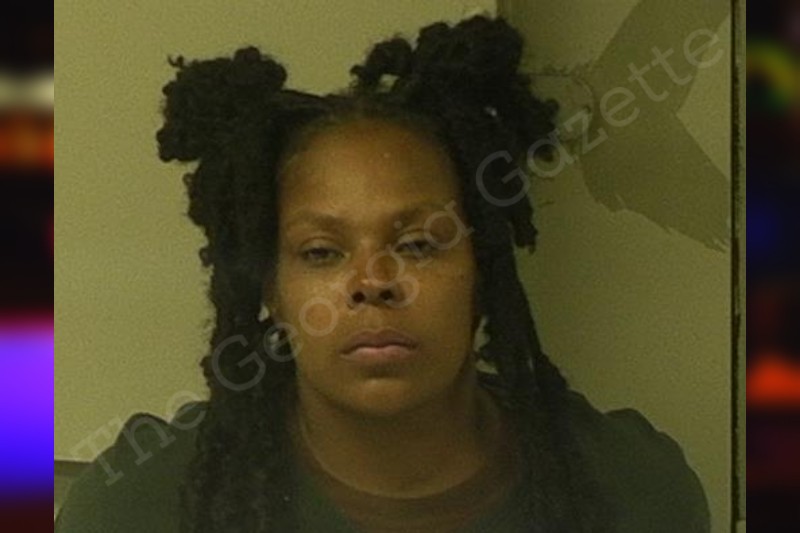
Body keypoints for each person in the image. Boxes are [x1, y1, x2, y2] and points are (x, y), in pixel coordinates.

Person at [55, 15, 710, 533]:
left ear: (482, 270)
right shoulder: (136, 507)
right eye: (321, 252)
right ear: (272, 290)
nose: (373, 280)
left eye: (419, 244)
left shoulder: (635, 490)